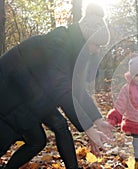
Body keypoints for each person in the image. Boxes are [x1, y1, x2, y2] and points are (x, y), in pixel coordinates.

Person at [0, 3, 112, 169]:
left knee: (46, 135)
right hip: (10, 96)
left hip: (33, 96)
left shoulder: (72, 51)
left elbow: (76, 90)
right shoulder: (59, 41)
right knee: (22, 139)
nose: (96, 50)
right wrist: (88, 128)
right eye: (96, 45)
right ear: (87, 37)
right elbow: (59, 87)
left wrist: (97, 119)